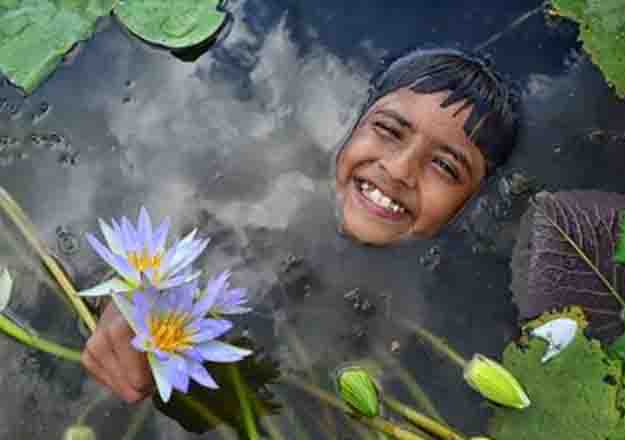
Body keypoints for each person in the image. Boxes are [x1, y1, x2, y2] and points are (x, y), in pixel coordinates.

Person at [81, 46, 520, 403]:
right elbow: (171, 224)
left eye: (445, 166)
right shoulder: (276, 172)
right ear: (352, 126)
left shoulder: (437, 308)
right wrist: (126, 299)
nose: (401, 169)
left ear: (473, 204)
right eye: (388, 130)